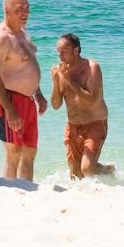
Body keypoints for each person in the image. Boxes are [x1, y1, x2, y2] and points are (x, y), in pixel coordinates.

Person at [0, 0, 48, 181]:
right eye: (19, 9)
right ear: (7, 10)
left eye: (27, 8)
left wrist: (38, 93)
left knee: (30, 151)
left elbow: (27, 66)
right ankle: (10, 190)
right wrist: (10, 109)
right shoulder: (1, 37)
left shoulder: (21, 33)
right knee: (14, 152)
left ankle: (27, 189)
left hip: (27, 100)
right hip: (9, 99)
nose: (25, 13)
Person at [49, 33, 114, 179]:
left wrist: (69, 80)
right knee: (76, 176)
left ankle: (108, 170)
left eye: (64, 51)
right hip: (72, 126)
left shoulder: (92, 68)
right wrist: (55, 82)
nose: (60, 56)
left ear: (76, 50)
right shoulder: (61, 72)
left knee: (88, 169)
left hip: (95, 124)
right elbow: (56, 105)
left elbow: (92, 100)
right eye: (58, 51)